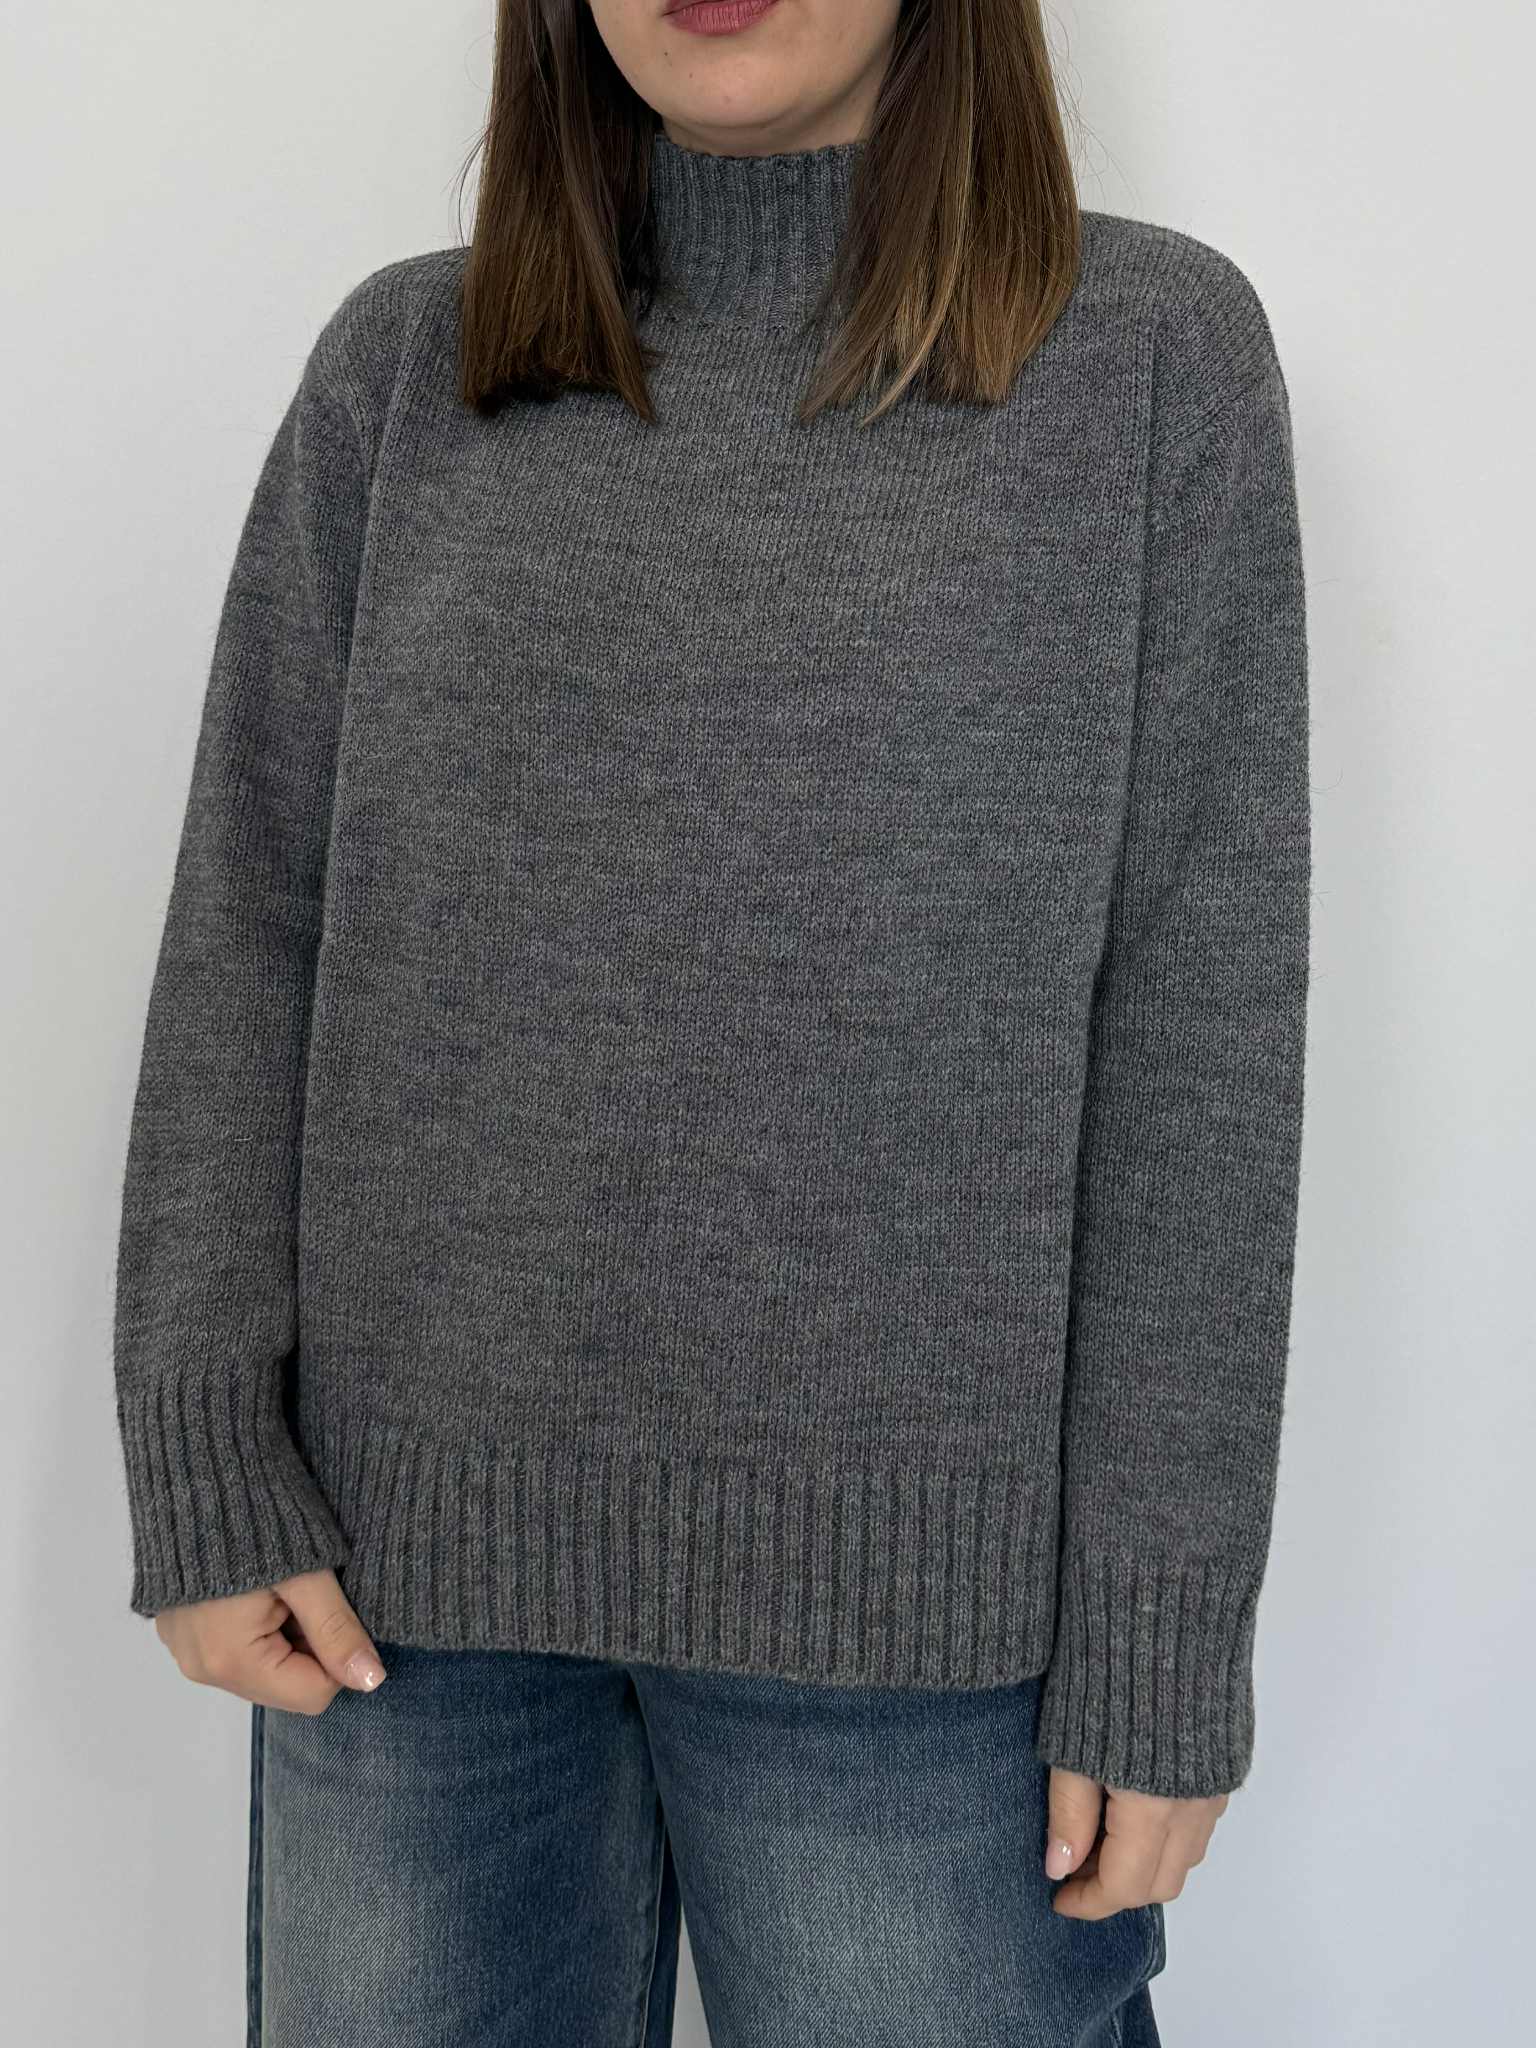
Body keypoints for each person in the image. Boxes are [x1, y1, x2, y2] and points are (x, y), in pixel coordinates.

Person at [110, 2, 1311, 2042]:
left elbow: (1199, 1033)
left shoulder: (1144, 362)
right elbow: (251, 917)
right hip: (403, 1607)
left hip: (937, 1641)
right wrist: (207, 1450)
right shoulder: (405, 371)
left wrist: (1165, 1628)